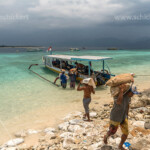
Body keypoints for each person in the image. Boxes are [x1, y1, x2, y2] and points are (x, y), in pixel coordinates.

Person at [104, 84, 141, 150]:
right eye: (132, 93)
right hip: (115, 116)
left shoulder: (129, 97)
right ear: (128, 91)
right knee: (112, 131)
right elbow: (118, 102)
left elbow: (127, 105)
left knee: (126, 133)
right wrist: (121, 91)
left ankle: (120, 146)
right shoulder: (118, 95)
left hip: (123, 117)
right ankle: (106, 137)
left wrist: (127, 115)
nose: (133, 95)